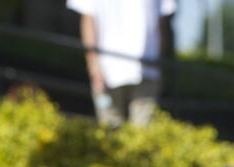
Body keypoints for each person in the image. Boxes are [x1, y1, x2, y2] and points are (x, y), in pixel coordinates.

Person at [67, 0, 176, 128]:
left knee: (133, 134)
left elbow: (161, 26)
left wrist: (93, 65)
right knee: (114, 132)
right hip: (109, 69)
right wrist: (94, 66)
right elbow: (88, 19)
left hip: (144, 70)